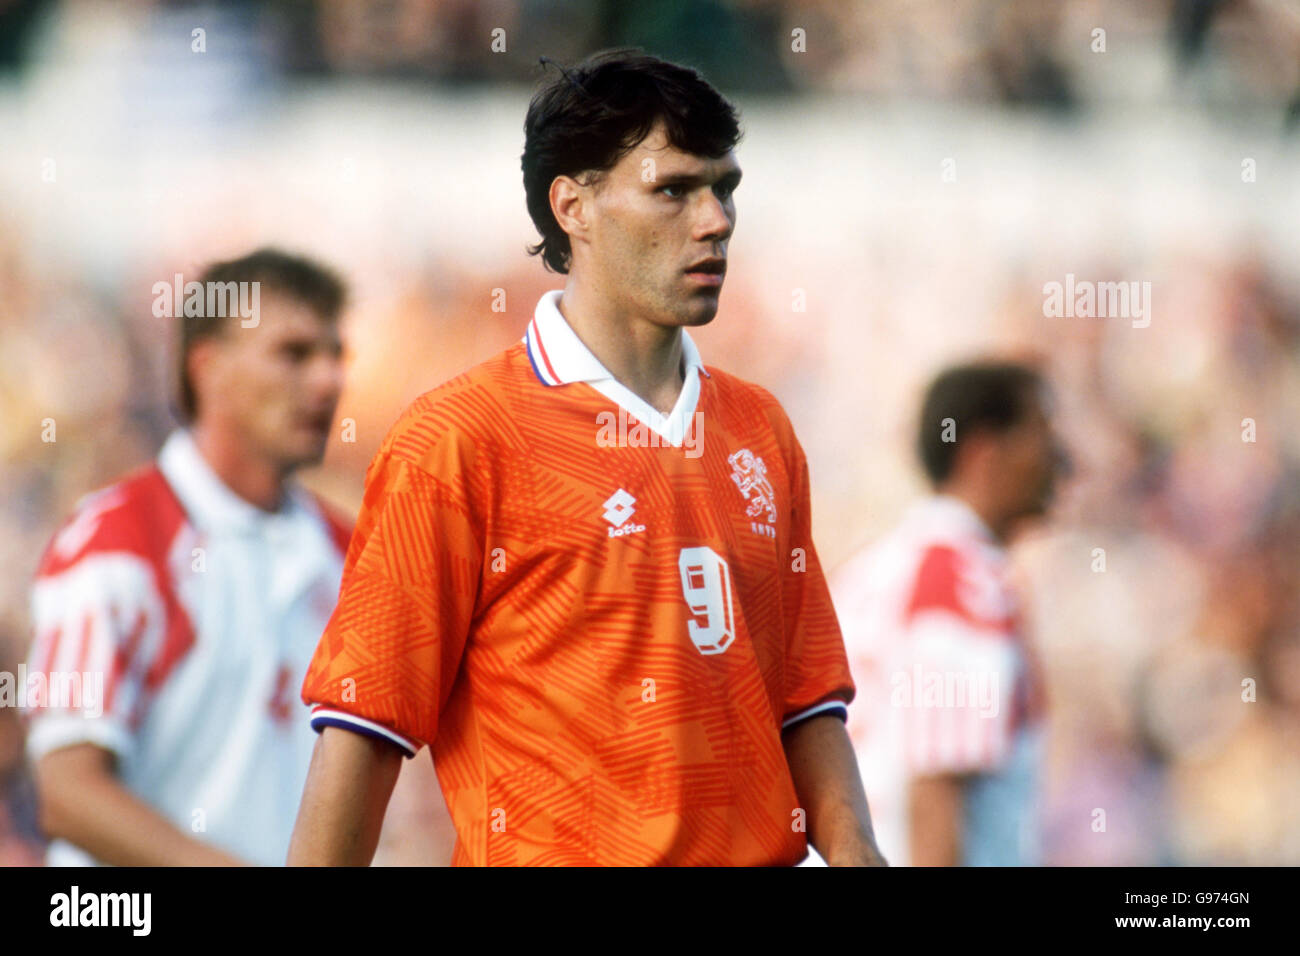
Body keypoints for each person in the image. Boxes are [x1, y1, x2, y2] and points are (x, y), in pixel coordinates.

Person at [289, 49, 886, 867]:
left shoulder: (760, 427)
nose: (714, 220)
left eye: (724, 188)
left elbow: (803, 699)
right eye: (673, 189)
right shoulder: (461, 438)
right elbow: (364, 729)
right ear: (573, 205)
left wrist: (858, 854)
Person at [24, 248, 350, 865]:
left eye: (336, 356)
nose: (328, 380)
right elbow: (66, 792)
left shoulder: (348, 553)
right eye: (295, 354)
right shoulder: (114, 544)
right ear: (208, 369)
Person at [833, 361, 1064, 866]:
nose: (1060, 459)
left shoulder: (873, 567)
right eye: (1042, 433)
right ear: (984, 452)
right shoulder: (961, 582)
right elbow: (936, 786)